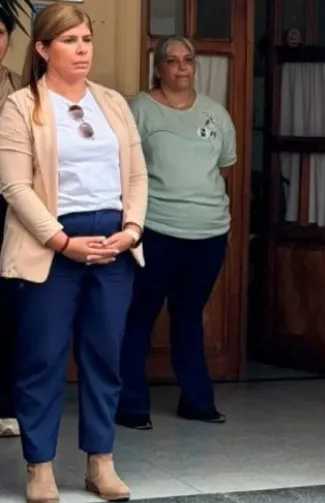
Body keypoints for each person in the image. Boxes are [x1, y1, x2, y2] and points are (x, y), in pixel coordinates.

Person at [0, 3, 147, 502]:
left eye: (86, 39)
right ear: (43, 50)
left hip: (113, 245)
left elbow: (137, 174)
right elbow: (15, 187)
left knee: (105, 358)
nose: (82, 49)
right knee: (42, 359)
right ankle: (39, 467)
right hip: (51, 247)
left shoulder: (113, 102)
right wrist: (62, 241)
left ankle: (100, 463)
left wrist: (132, 230)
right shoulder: (21, 105)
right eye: (69, 41)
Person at [116, 36, 235, 431]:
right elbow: (124, 168)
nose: (182, 67)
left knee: (188, 315)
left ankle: (197, 401)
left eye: (189, 60)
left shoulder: (216, 113)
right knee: (140, 315)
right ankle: (131, 405)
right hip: (156, 230)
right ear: (159, 68)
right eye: (172, 60)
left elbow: (224, 167)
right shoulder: (140, 109)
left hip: (209, 233)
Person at [0, 9, 23, 440]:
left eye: (0, 32)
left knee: (8, 312)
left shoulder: (22, 90)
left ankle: (4, 406)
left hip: (11, 209)